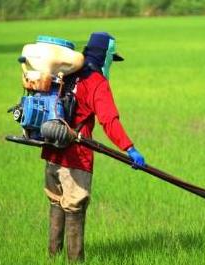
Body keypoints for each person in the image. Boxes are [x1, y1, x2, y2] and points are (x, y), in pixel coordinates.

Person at [41, 32, 145, 262]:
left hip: (51, 149)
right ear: (105, 56)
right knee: (75, 207)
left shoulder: (67, 72)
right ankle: (75, 260)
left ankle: (52, 257)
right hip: (76, 154)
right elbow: (109, 120)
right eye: (111, 59)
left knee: (56, 202)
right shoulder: (97, 82)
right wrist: (130, 148)